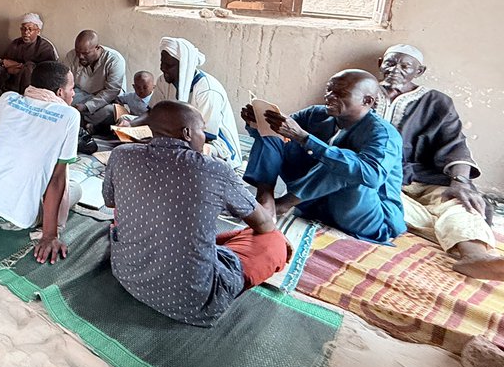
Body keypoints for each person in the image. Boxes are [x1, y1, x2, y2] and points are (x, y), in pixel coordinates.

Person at [104, 101, 288, 327]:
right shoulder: (214, 169)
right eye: (202, 130)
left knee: (131, 220)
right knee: (275, 241)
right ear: (187, 133)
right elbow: (265, 225)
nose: (206, 137)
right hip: (194, 300)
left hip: (127, 275)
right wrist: (267, 190)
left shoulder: (121, 155)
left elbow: (110, 202)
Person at [375, 44, 504, 280]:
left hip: (426, 178)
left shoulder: (436, 102)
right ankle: (458, 237)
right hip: (381, 178)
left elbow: (455, 144)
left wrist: (460, 181)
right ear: (380, 63)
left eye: (406, 66)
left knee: (460, 202)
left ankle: (475, 257)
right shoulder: (361, 91)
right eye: (391, 63)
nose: (396, 70)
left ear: (420, 71)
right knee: (378, 203)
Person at [243, 69, 406, 244]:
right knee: (273, 135)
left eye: (340, 93)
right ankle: (266, 202)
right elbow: (276, 140)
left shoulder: (383, 134)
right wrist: (257, 123)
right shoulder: (315, 114)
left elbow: (372, 176)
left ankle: (283, 204)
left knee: (346, 161)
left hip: (368, 217)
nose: (329, 96)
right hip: (316, 204)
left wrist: (304, 138)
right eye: (329, 90)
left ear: (367, 101)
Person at [0, 61, 83, 264]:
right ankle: (49, 228)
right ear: (60, 92)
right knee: (74, 187)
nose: (74, 94)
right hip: (11, 219)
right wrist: (49, 236)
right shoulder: (70, 116)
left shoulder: (8, 99)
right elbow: (56, 180)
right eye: (72, 89)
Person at [141, 37, 241, 168]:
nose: (162, 68)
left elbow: (205, 136)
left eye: (169, 65)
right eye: (162, 62)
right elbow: (151, 113)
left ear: (184, 66)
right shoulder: (163, 81)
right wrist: (129, 124)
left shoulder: (207, 90)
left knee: (200, 153)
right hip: (177, 136)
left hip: (213, 142)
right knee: (130, 123)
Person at [0, 13, 58, 101]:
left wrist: (20, 66)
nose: (26, 32)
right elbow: (5, 65)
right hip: (8, 76)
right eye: (23, 29)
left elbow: (44, 73)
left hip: (29, 83)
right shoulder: (16, 43)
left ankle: (21, 101)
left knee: (29, 67)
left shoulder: (45, 48)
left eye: (30, 29)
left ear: (38, 31)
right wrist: (13, 67)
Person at [64, 30, 127, 127]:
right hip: (80, 96)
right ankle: (87, 123)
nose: (80, 57)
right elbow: (64, 83)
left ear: (97, 48)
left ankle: (80, 121)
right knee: (63, 98)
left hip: (104, 101)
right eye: (78, 52)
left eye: (85, 53)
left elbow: (112, 91)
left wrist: (87, 106)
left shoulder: (114, 60)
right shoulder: (71, 56)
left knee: (111, 111)